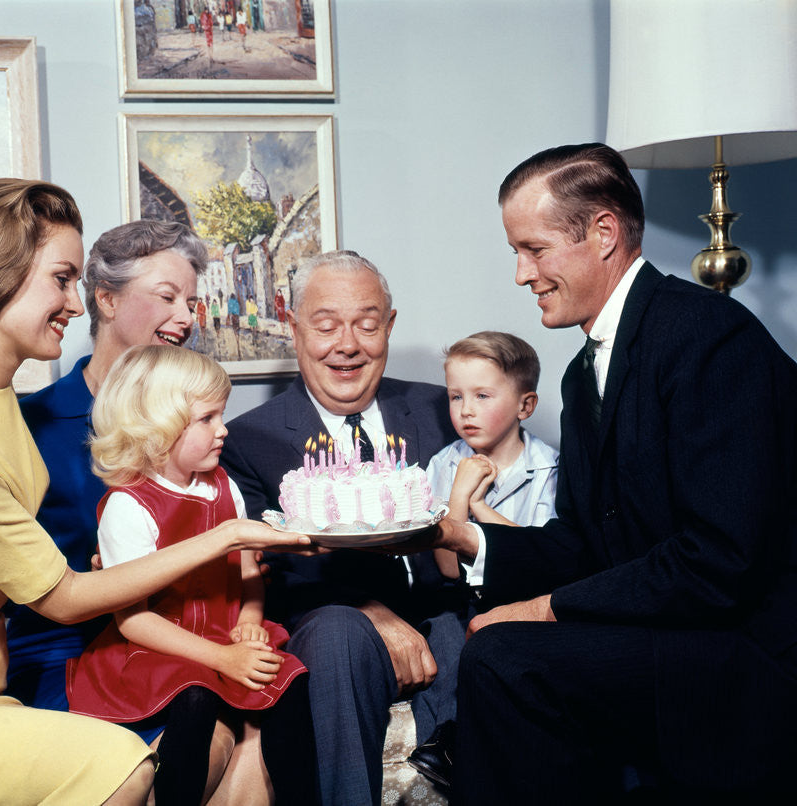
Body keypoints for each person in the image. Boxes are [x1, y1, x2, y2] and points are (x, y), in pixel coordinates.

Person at [0, 178, 310, 806]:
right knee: (124, 767)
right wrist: (227, 536)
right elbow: (64, 601)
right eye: (62, 279)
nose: (75, 304)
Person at [436, 143, 797, 804]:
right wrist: (473, 542)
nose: (521, 274)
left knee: (502, 658)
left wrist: (545, 609)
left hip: (750, 656)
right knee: (497, 648)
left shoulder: (709, 337)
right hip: (674, 637)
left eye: (534, 250)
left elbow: (719, 562)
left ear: (603, 233)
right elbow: (583, 541)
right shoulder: (583, 373)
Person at [220, 250, 463, 805]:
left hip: (438, 606)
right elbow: (268, 570)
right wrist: (373, 614)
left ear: (390, 326)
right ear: (293, 326)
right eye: (326, 325)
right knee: (338, 633)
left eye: (367, 324)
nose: (346, 345)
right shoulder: (247, 440)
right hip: (330, 620)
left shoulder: (440, 409)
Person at [66, 345, 318, 805]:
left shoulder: (224, 486)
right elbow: (132, 621)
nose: (223, 429)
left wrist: (250, 620)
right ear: (157, 426)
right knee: (195, 697)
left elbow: (248, 571)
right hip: (157, 647)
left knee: (292, 681)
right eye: (207, 419)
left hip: (225, 634)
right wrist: (222, 660)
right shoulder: (129, 506)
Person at [6, 219, 206, 716]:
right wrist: (99, 573)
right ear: (107, 300)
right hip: (64, 652)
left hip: (184, 645)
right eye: (166, 297)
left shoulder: (203, 428)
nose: (185, 317)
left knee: (253, 731)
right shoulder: (31, 425)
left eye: (190, 302)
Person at [407, 330, 558, 785]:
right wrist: (457, 489)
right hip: (460, 597)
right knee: (448, 642)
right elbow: (448, 566)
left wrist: (475, 506)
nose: (465, 410)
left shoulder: (549, 467)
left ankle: (468, 744)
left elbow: (540, 555)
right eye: (455, 397)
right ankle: (447, 739)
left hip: (523, 601)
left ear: (524, 406)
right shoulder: (443, 464)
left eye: (482, 395)